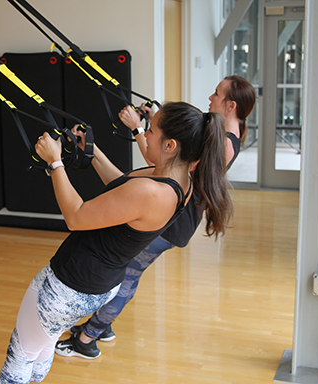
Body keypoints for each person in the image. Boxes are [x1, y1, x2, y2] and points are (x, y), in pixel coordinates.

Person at [0, 101, 233, 384]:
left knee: (21, 355)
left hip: (70, 285)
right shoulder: (178, 181)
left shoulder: (153, 192)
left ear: (170, 145)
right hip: (95, 284)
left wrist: (55, 163)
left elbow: (76, 216)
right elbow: (122, 187)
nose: (145, 136)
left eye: (152, 131)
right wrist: (92, 151)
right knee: (42, 343)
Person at [55, 75, 256, 359]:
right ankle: (100, 327)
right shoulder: (220, 136)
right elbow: (153, 168)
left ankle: (88, 339)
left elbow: (162, 165)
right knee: (128, 275)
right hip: (174, 216)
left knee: (127, 277)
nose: (211, 98)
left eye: (217, 94)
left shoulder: (221, 145)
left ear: (231, 104)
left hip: (172, 222)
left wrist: (139, 129)